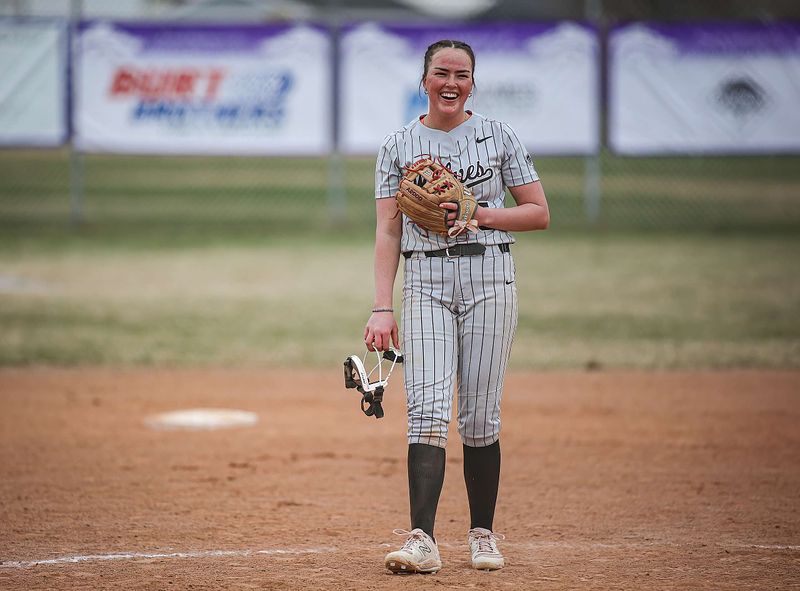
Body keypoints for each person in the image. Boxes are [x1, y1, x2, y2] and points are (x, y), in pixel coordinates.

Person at [364, 39, 550, 574]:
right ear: (424, 80)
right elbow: (387, 230)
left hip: (490, 276)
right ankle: (422, 539)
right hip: (425, 279)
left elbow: (538, 212)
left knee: (480, 414)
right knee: (426, 410)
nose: (451, 83)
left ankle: (482, 535)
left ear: (472, 83)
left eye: (461, 74)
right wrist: (382, 306)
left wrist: (480, 214)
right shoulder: (397, 145)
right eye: (441, 73)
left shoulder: (498, 136)